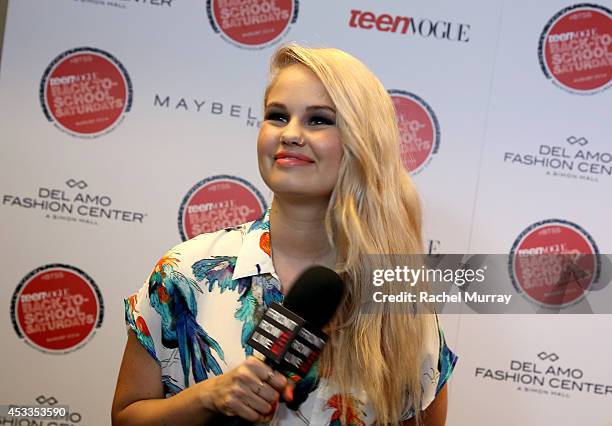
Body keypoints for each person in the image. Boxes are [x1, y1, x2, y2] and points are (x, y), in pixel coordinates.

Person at [112, 43, 457, 426]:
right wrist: (207, 398)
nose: (290, 134)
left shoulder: (398, 300)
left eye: (319, 120)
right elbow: (125, 417)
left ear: (362, 141)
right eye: (277, 116)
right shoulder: (185, 272)